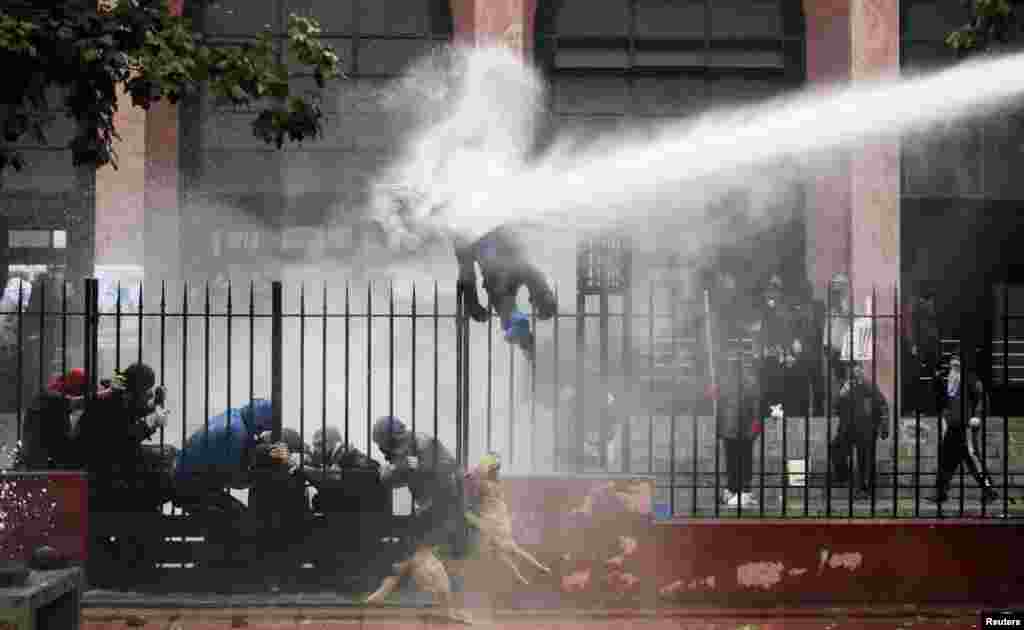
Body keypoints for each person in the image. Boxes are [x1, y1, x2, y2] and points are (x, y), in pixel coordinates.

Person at [70, 362, 174, 510]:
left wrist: (154, 405)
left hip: (105, 469)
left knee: (168, 455)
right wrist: (151, 423)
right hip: (101, 479)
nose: (149, 394)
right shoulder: (111, 404)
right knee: (163, 478)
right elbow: (122, 439)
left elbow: (131, 411)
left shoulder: (117, 397)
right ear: (134, 392)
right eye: (147, 390)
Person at [454, 225, 557, 360]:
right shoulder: (498, 220)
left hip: (498, 270)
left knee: (503, 298)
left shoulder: (463, 232)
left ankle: (522, 332)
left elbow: (466, 275)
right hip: (514, 260)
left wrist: (473, 305)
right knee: (527, 273)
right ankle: (542, 301)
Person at [931, 352, 999, 505]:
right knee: (945, 459)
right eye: (952, 363)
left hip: (966, 426)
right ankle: (941, 492)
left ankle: (989, 490)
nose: (954, 366)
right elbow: (940, 399)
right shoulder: (947, 380)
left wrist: (977, 416)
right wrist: (936, 379)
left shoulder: (970, 378)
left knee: (972, 457)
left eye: (957, 363)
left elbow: (981, 397)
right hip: (951, 425)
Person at [828, 363, 890, 498]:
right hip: (848, 428)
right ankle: (843, 476)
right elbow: (835, 408)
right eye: (854, 368)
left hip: (866, 428)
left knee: (865, 458)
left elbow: (882, 404)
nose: (856, 371)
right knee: (835, 447)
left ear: (862, 370)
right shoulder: (846, 386)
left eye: (859, 368)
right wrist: (841, 394)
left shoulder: (870, 386)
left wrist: (883, 426)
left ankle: (864, 488)